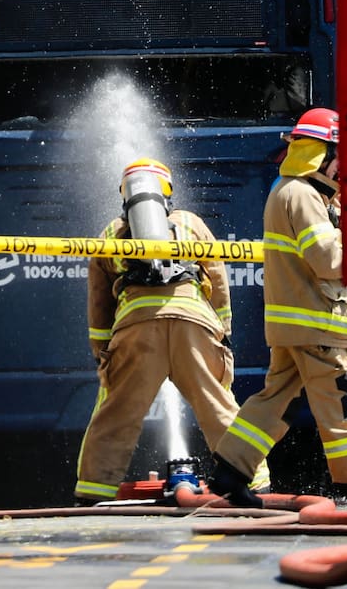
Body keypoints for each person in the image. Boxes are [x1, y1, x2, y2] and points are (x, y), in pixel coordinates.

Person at [207, 107, 347, 511]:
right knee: (343, 399)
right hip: (317, 324)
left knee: (273, 399)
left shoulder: (289, 190)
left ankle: (230, 471)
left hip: (295, 324)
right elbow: (328, 260)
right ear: (319, 153)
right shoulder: (304, 195)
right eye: (339, 156)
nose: (343, 167)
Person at [73, 158, 268, 504]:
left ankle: (91, 496)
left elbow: (98, 304)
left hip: (136, 331)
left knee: (115, 416)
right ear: (167, 190)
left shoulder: (109, 234)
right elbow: (218, 278)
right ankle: (256, 485)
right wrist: (222, 331)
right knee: (219, 407)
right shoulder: (191, 223)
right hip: (194, 327)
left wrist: (102, 354)